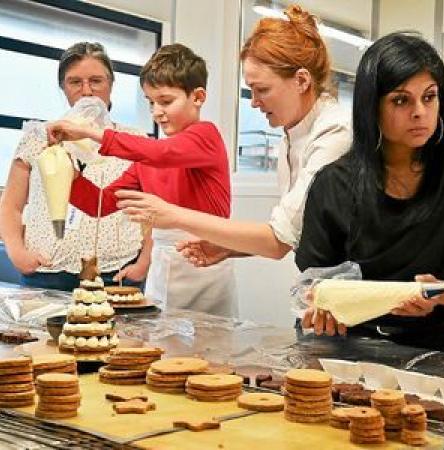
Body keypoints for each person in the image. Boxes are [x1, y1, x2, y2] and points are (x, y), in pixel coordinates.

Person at [294, 33, 444, 353]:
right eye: (401, 100)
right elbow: (313, 285)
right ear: (372, 107)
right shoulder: (334, 184)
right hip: (347, 345)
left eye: (429, 97)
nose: (419, 112)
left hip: (436, 346)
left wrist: (439, 292)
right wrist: (320, 311)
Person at [112, 4, 350, 263]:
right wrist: (228, 248)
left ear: (302, 81)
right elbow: (293, 234)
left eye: (261, 89)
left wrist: (174, 215)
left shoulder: (334, 131)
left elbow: (278, 240)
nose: (254, 102)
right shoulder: (289, 139)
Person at [45, 43, 235, 316]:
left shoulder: (206, 136)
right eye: (150, 102)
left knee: (214, 350)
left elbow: (163, 152)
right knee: (163, 348)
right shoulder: (147, 161)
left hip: (207, 269)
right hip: (164, 265)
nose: (156, 111)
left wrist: (91, 132)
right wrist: (69, 178)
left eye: (166, 101)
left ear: (198, 97)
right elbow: (101, 202)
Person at [0, 42, 147, 291]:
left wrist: (144, 260)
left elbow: (147, 208)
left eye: (96, 81)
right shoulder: (38, 137)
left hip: (118, 272)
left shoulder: (134, 140)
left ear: (111, 84)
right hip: (46, 272)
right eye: (75, 82)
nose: (86, 91)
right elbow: (11, 205)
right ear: (63, 88)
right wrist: (17, 253)